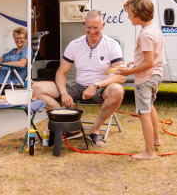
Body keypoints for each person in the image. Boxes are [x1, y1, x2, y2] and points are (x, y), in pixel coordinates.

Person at [32, 10, 125, 147]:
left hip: (101, 88)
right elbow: (61, 73)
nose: (92, 31)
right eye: (88, 27)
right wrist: (64, 93)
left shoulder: (112, 45)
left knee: (117, 90)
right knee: (36, 88)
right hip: (78, 86)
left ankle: (95, 130)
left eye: (96, 27)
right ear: (84, 25)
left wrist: (96, 85)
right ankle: (66, 124)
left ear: (103, 25)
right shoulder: (75, 44)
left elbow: (120, 76)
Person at [117, 0, 164, 160]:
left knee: (143, 112)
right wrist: (135, 62)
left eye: (129, 13)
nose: (128, 17)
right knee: (150, 106)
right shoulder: (154, 28)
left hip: (145, 78)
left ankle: (149, 152)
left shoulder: (145, 34)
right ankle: (156, 140)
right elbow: (151, 57)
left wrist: (129, 72)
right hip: (156, 75)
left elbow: (149, 62)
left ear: (138, 15)